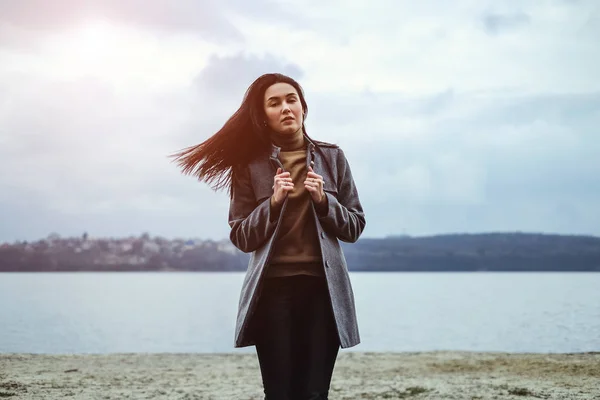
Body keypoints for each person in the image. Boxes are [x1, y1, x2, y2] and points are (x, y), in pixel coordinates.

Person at [172, 73, 366, 400]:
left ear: (303, 107)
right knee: (279, 394)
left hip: (325, 293)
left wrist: (324, 200)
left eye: (291, 99)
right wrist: (273, 203)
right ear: (263, 116)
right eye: (274, 103)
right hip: (273, 292)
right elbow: (242, 236)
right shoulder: (248, 166)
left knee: (315, 393)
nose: (285, 108)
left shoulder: (333, 157)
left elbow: (354, 226)